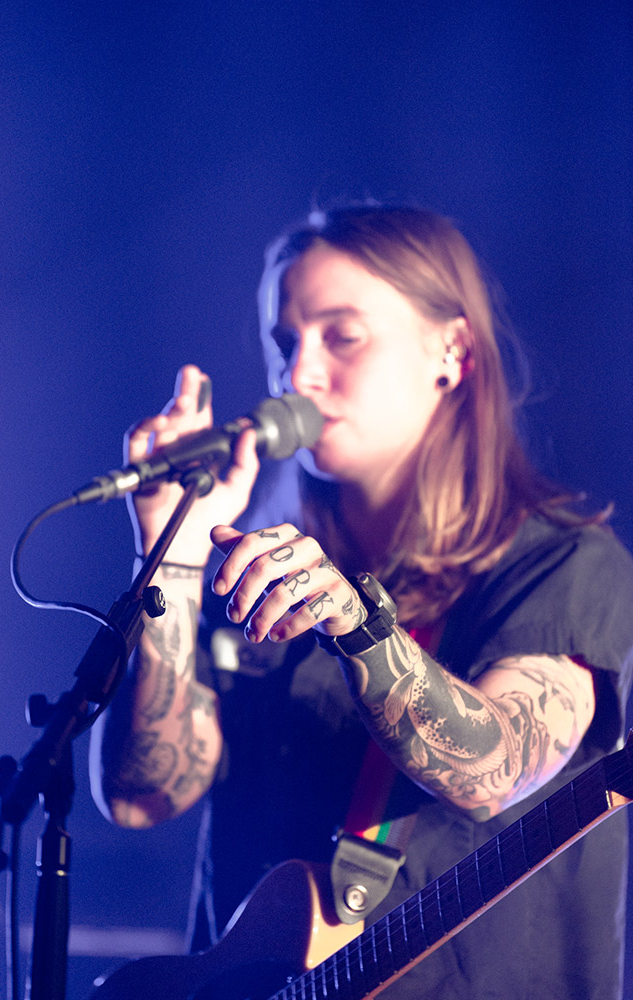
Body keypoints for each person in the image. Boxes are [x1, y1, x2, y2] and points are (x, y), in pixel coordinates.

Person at [90, 204, 633, 999]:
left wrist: (356, 623)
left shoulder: (564, 563)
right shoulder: (255, 571)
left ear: (450, 351)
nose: (298, 375)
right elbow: (145, 793)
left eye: (341, 335)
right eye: (286, 343)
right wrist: (169, 559)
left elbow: (492, 766)